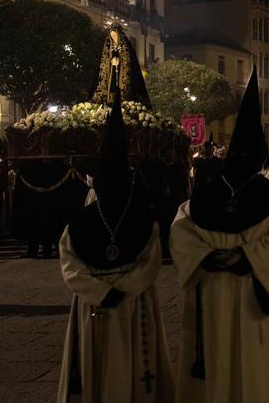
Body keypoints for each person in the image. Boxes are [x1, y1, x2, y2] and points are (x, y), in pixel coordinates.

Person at [170, 67, 269, 402]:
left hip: (213, 297)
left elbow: (182, 234)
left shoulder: (201, 198)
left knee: (214, 371)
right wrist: (249, 257)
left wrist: (212, 257)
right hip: (254, 303)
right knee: (256, 375)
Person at [56, 90, 175, 402]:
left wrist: (103, 292)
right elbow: (69, 263)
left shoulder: (139, 219)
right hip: (128, 305)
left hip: (103, 307)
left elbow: (150, 260)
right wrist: (119, 290)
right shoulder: (83, 221)